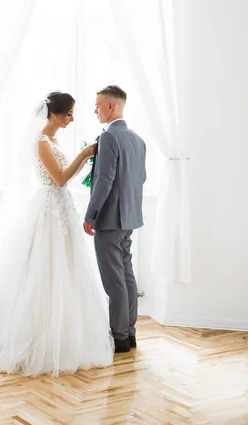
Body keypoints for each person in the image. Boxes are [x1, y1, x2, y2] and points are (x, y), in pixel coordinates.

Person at [0, 91, 114, 376]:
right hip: (48, 210)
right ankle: (33, 338)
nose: (72, 119)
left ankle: (64, 332)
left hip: (61, 210)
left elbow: (63, 175)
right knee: (43, 272)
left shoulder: (54, 140)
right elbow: (59, 179)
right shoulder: (40, 142)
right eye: (69, 113)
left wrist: (85, 159)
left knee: (66, 273)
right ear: (55, 114)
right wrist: (84, 154)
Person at [83, 85, 147, 353]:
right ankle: (129, 333)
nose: (94, 110)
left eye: (97, 105)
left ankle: (119, 337)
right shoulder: (138, 139)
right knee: (127, 275)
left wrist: (90, 215)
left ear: (111, 106)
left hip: (109, 220)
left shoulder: (109, 138)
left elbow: (105, 181)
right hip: (130, 217)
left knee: (114, 281)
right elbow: (140, 178)